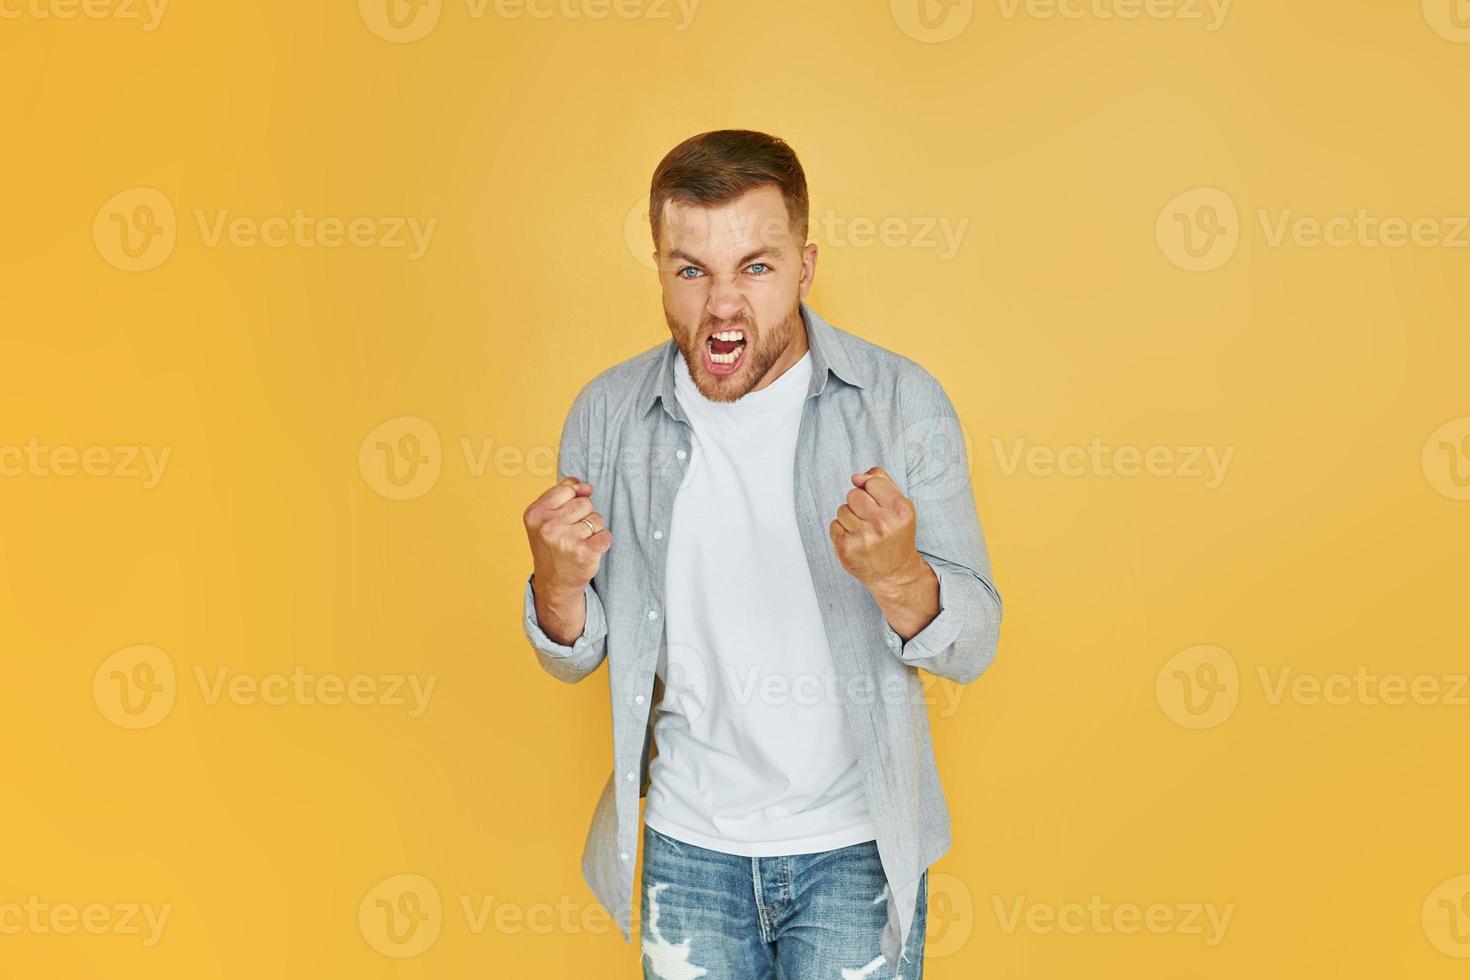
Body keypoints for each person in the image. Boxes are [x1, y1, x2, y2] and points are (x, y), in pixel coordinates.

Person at [521, 129, 1003, 979]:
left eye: (756, 266)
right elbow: (576, 654)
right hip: (687, 852)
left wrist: (901, 578)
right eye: (691, 269)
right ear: (662, 269)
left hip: (856, 851)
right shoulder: (605, 416)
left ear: (805, 267)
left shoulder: (901, 403)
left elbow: (976, 644)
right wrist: (555, 589)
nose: (722, 308)